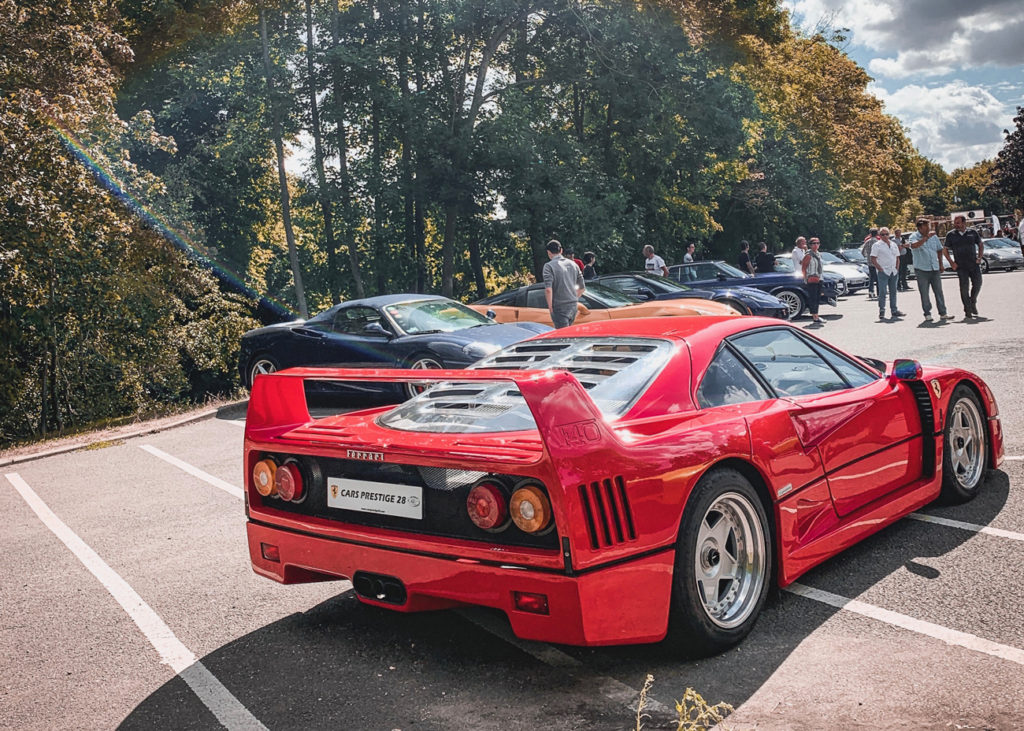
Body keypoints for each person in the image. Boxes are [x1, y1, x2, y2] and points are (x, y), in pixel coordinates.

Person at [908, 219, 951, 322]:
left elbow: (939, 250)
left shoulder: (934, 237)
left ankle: (943, 313)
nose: (928, 229)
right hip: (922, 269)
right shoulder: (914, 237)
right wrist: (926, 238)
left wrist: (940, 264)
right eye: (926, 227)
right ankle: (927, 313)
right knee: (924, 293)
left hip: (934, 267)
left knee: (939, 292)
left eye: (929, 226)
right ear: (919, 228)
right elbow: (914, 246)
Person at [944, 215, 985, 319]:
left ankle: (973, 302)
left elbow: (980, 244)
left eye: (958, 222)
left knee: (978, 283)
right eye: (955, 223)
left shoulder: (972, 233)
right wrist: (951, 262)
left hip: (973, 263)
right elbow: (945, 250)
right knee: (964, 287)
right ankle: (967, 309)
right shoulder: (951, 235)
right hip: (961, 265)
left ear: (964, 223)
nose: (956, 224)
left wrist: (979, 257)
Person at [543, 240, 586, 328]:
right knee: (568, 333)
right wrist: (573, 298)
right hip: (573, 305)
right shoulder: (573, 264)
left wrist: (550, 308)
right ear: (561, 250)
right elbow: (582, 288)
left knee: (562, 337)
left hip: (559, 306)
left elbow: (548, 289)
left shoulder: (549, 266)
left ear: (548, 252)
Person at [870, 227, 904, 321]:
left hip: (893, 271)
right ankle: (882, 311)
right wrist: (879, 268)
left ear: (889, 235)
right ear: (879, 236)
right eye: (882, 234)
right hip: (883, 271)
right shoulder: (877, 245)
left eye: (887, 234)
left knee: (893, 291)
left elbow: (897, 257)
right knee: (883, 292)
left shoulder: (893, 244)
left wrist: (897, 268)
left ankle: (894, 310)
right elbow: (873, 258)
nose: (885, 236)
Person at [801, 237, 824, 324]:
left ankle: (816, 315)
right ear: (810, 245)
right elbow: (804, 267)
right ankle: (815, 317)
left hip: (819, 278)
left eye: (818, 243)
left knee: (817, 298)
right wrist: (805, 278)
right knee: (813, 298)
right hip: (811, 279)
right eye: (814, 243)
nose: (816, 245)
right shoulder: (808, 255)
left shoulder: (819, 254)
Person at [861, 228, 879, 299]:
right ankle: (879, 293)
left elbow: (862, 252)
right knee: (878, 278)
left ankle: (871, 292)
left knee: (871, 278)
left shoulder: (867, 242)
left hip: (869, 262)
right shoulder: (878, 242)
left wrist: (867, 256)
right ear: (877, 234)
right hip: (877, 262)